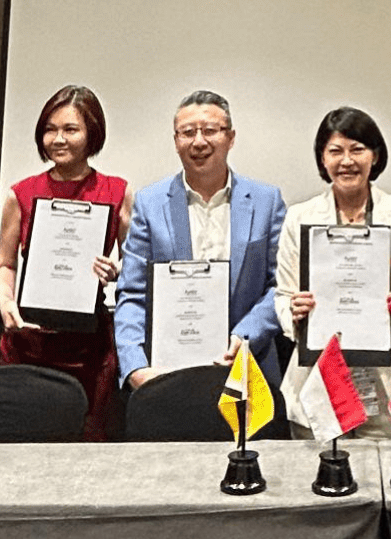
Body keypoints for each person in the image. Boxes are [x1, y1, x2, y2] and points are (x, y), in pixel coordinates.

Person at [275, 107, 391, 438]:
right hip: (319, 381)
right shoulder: (299, 217)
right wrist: (293, 310)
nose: (346, 161)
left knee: (384, 471)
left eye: (357, 149)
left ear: (374, 156)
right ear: (322, 159)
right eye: (335, 151)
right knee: (321, 469)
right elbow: (283, 296)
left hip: (388, 383)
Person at [115, 90, 287, 390]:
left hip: (248, 369)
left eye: (209, 130)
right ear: (175, 141)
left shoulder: (266, 201)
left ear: (230, 138)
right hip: (167, 373)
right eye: (187, 132)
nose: (198, 142)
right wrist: (135, 367)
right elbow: (132, 293)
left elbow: (281, 286)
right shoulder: (150, 203)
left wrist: (245, 336)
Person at [0, 85, 134, 441]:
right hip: (29, 341)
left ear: (92, 134)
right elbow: (5, 265)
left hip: (89, 346)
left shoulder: (117, 191)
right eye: (50, 129)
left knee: (87, 442)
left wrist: (115, 271)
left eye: (70, 129)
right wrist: (6, 303)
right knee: (24, 441)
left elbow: (135, 267)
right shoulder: (20, 193)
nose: (58, 139)